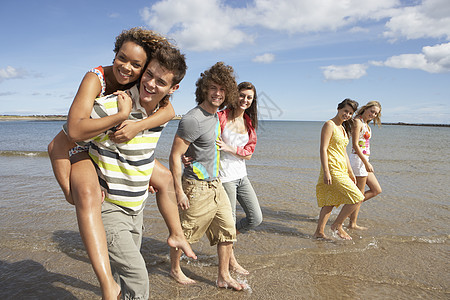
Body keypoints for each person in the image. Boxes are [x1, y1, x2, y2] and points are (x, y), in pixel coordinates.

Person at [47, 28, 194, 299]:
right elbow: (63, 140)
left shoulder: (162, 107)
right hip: (104, 191)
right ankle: (107, 287)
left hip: (136, 207)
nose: (149, 83)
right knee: (137, 277)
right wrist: (70, 194)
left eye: (139, 67)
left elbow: (170, 111)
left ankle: (175, 234)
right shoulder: (107, 96)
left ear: (172, 89)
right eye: (148, 74)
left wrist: (138, 128)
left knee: (163, 180)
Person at [169, 62, 245, 290]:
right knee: (185, 234)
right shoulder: (193, 119)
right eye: (213, 88)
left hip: (216, 185)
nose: (218, 93)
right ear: (203, 89)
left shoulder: (215, 116)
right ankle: (175, 268)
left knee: (227, 232)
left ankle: (223, 276)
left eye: (223, 90)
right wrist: (179, 191)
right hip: (196, 187)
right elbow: (174, 156)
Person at [313, 99, 365, 240]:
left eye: (350, 113)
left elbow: (343, 152)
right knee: (358, 197)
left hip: (342, 168)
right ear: (338, 108)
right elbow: (323, 149)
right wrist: (326, 171)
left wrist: (350, 172)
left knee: (330, 201)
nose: (347, 115)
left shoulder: (342, 128)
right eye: (345, 111)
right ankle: (337, 225)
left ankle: (319, 232)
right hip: (332, 168)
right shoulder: (329, 125)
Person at [348, 101, 383, 230]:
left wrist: (366, 161)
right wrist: (365, 162)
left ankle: (349, 209)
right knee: (359, 193)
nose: (373, 114)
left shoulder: (365, 123)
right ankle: (352, 223)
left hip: (363, 160)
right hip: (359, 161)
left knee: (376, 190)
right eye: (372, 111)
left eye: (376, 113)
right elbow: (355, 145)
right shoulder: (357, 122)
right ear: (366, 108)